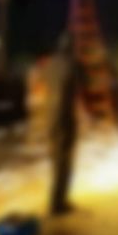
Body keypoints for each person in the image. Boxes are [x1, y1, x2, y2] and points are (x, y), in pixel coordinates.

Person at [45, 32, 83, 215]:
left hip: (49, 117)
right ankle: (58, 204)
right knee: (65, 162)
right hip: (65, 118)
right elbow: (83, 86)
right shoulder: (72, 64)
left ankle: (57, 201)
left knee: (56, 160)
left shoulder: (50, 64)